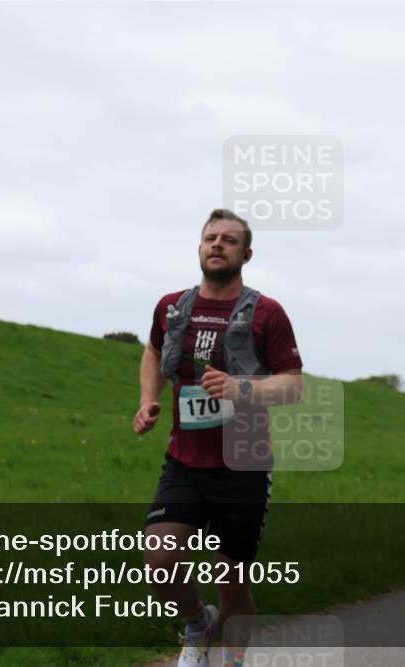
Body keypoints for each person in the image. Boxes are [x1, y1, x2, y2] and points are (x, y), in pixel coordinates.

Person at [134, 209, 304, 667]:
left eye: (229, 240)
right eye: (211, 237)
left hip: (242, 468)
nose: (217, 244)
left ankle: (231, 659)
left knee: (232, 582)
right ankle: (196, 624)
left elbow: (293, 385)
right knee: (159, 561)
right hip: (184, 462)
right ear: (199, 247)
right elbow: (152, 351)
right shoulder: (172, 306)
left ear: (246, 254)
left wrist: (240, 388)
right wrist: (149, 400)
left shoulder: (267, 313)